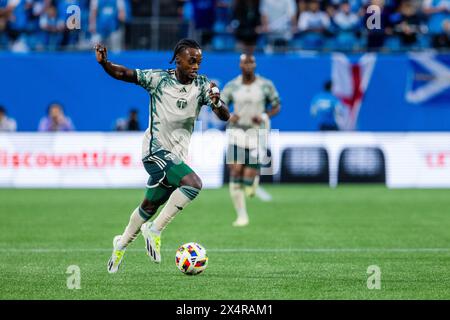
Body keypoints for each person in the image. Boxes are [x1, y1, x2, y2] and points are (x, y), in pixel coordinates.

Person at [95, 39, 230, 273]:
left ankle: (120, 246)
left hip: (176, 157)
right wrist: (105, 63)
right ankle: (155, 230)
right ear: (178, 59)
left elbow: (225, 116)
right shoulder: (158, 79)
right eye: (192, 60)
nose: (196, 65)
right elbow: (124, 74)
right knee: (193, 184)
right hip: (155, 151)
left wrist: (217, 103)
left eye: (199, 61)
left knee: (149, 205)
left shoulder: (202, 85)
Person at [222, 53, 280, 227]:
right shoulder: (232, 85)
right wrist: (229, 115)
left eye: (251, 62)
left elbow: (276, 105)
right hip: (236, 132)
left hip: (258, 133)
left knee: (247, 181)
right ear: (240, 65)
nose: (248, 65)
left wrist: (264, 115)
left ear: (255, 65)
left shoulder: (265, 85)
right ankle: (242, 216)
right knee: (234, 171)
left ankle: (252, 182)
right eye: (245, 63)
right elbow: (221, 104)